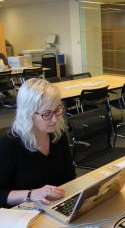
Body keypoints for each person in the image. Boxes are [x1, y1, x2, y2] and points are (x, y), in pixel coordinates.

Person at [0, 78, 76, 208]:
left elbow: (69, 176)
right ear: (27, 114)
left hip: (56, 204)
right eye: (47, 114)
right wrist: (31, 194)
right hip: (24, 213)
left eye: (57, 110)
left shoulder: (57, 134)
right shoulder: (9, 144)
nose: (55, 119)